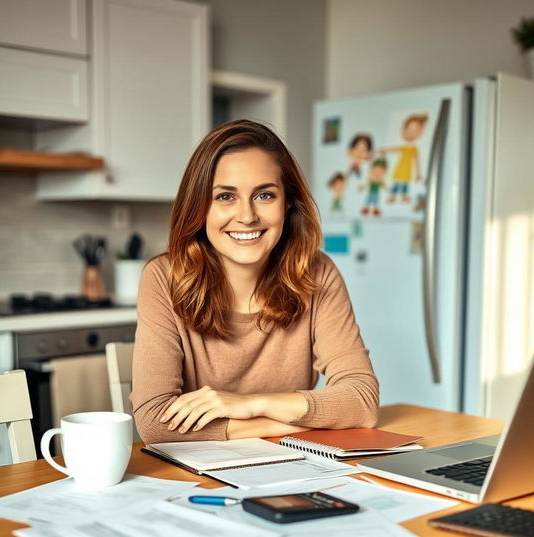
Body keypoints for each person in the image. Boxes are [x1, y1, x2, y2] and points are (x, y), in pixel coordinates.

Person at [132, 119, 379, 443]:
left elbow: (362, 402)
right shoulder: (164, 278)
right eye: (225, 197)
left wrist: (252, 405)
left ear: (287, 203)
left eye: (264, 195)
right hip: (194, 474)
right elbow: (154, 423)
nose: (247, 216)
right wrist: (297, 423)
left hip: (296, 468)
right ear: (200, 207)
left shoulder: (316, 272)